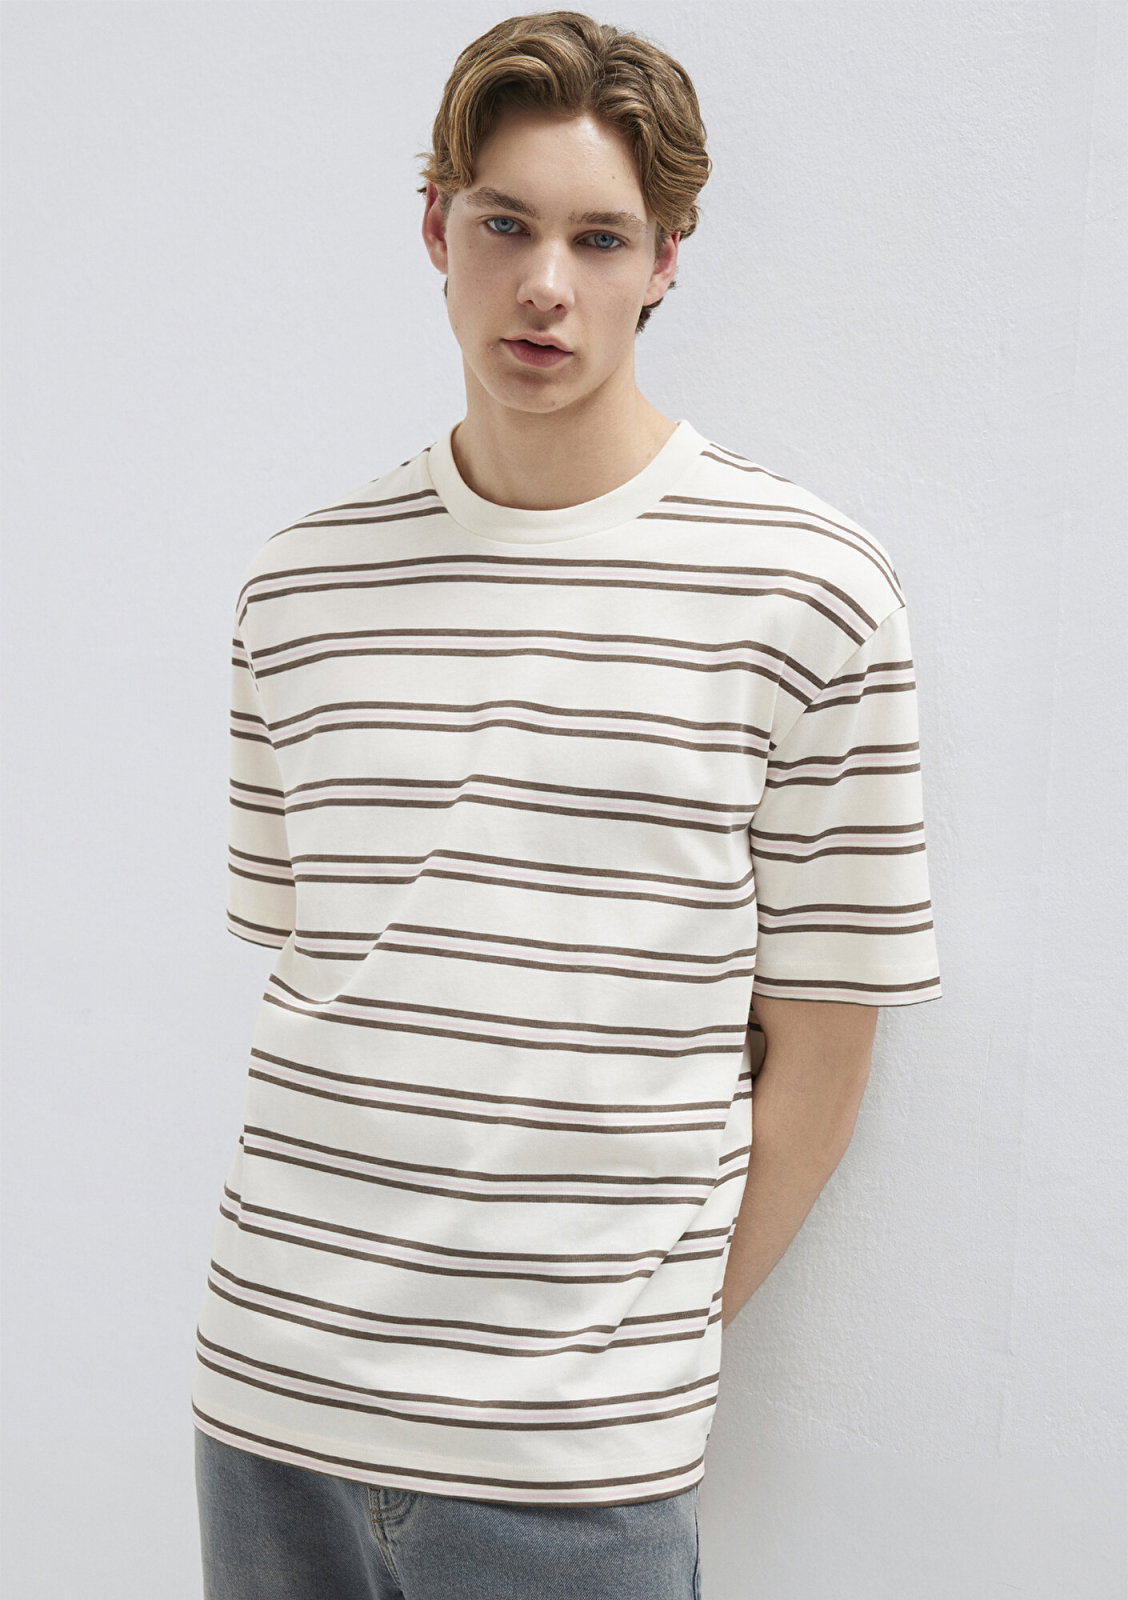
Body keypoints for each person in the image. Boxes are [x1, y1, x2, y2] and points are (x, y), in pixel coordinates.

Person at [191, 10, 942, 1597]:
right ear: (435, 228)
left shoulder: (807, 592)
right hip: (270, 1401)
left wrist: (624, 1359)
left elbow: (823, 1046)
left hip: (574, 1462)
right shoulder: (299, 588)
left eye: (599, 238)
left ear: (665, 259)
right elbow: (324, 975)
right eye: (504, 225)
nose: (546, 284)